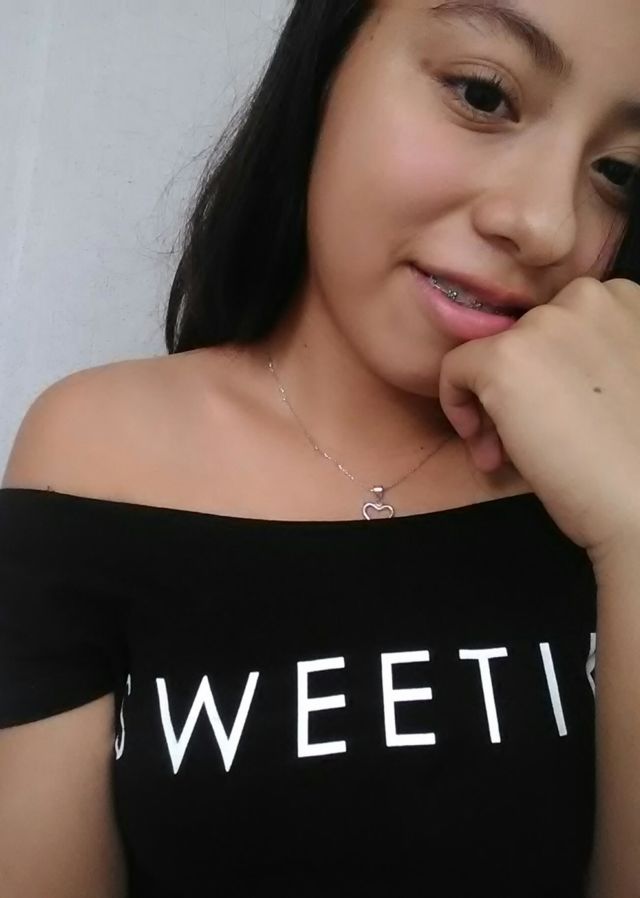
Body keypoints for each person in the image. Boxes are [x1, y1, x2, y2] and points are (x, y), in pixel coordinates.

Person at [1, 0, 640, 895]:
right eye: (482, 94)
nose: (548, 226)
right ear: (325, 67)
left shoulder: (612, 467)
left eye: (620, 172)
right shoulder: (91, 452)